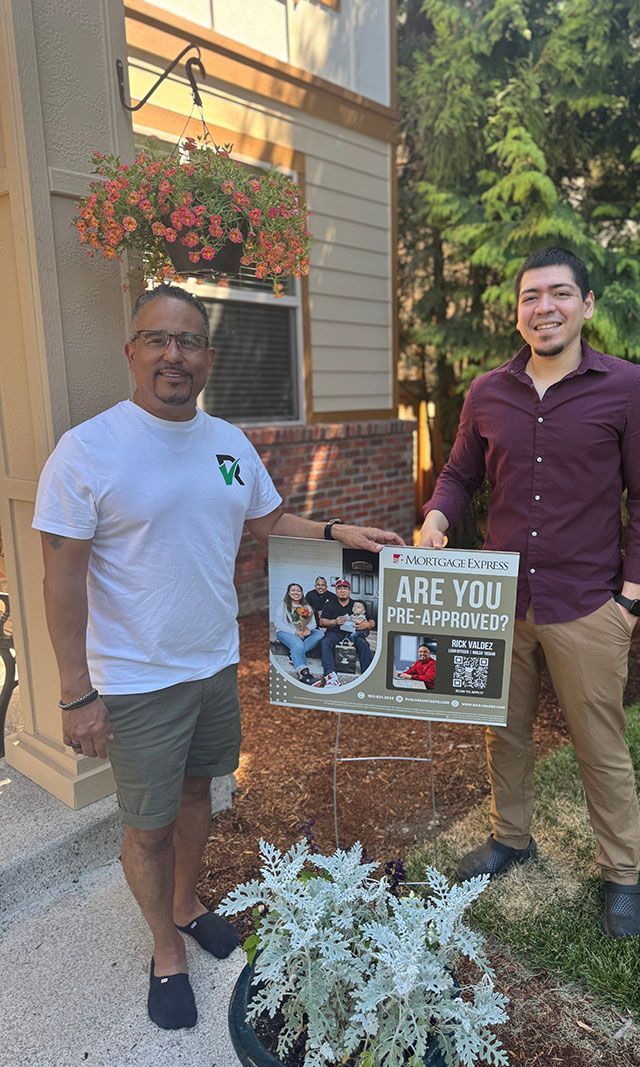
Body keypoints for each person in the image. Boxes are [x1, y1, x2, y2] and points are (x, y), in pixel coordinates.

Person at [32, 284, 403, 1031]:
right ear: (132, 351)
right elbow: (60, 577)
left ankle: (185, 900)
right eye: (158, 339)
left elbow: (266, 518)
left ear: (208, 355)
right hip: (135, 682)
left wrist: (338, 531)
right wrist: (76, 692)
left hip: (213, 665)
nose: (175, 355)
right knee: (147, 826)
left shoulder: (230, 444)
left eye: (189, 341)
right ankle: (166, 948)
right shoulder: (87, 450)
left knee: (201, 795)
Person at [418, 247, 640, 939]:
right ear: (518, 310)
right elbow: (459, 474)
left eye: (560, 294)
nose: (545, 307)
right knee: (505, 733)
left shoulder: (630, 389)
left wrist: (631, 602)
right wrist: (437, 517)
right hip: (499, 601)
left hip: (588, 604)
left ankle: (621, 875)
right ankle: (511, 837)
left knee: (600, 745)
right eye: (531, 296)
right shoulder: (487, 392)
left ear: (587, 305)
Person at [314, 578, 375, 687]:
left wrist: (366, 625)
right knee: (325, 642)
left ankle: (368, 674)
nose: (342, 590)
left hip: (354, 634)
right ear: (336, 591)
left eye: (345, 588)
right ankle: (330, 675)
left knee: (363, 643)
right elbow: (322, 622)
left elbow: (372, 621)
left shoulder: (356, 605)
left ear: (350, 591)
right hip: (335, 633)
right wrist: (335, 621)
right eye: (339, 588)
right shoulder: (330, 604)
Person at [273, 583, 324, 684]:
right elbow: (277, 623)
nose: (296, 592)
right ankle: (304, 674)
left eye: (298, 591)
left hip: (303, 633)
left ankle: (294, 654)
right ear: (288, 593)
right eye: (293, 590)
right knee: (297, 643)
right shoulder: (283, 605)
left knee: (320, 634)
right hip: (285, 632)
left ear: (302, 593)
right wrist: (294, 632)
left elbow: (313, 623)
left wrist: (307, 629)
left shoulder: (306, 607)